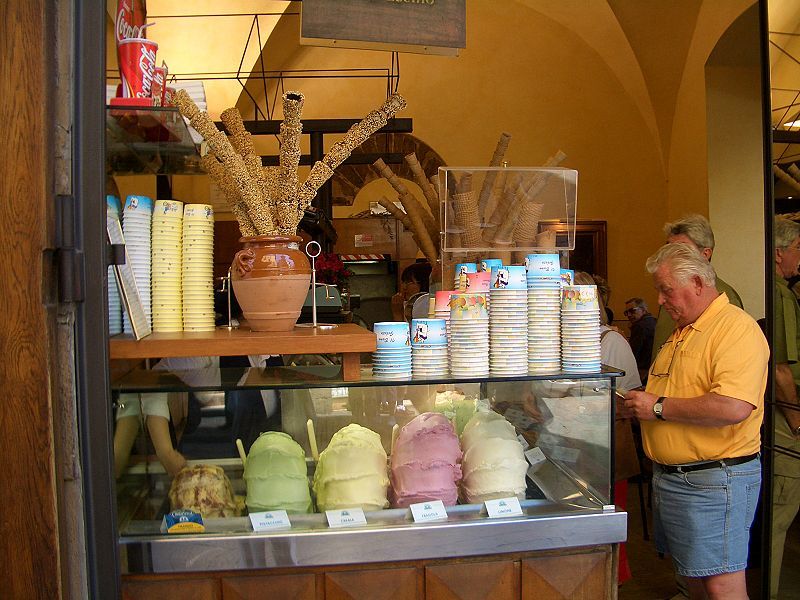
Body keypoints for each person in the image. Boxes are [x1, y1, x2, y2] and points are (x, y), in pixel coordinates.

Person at [623, 243, 768, 600]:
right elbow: (679, 394)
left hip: (715, 480)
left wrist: (657, 407)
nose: (658, 300)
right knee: (695, 582)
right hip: (679, 480)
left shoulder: (734, 329)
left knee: (722, 585)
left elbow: (733, 406)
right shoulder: (684, 330)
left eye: (666, 289)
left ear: (698, 284)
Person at [574, 271, 641, 585]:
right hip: (568, 448)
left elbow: (629, 397)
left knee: (606, 529)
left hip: (602, 452)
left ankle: (610, 583)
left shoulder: (610, 340)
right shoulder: (555, 337)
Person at [651, 214, 743, 354]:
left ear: (705, 254)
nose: (670, 256)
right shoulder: (669, 291)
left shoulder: (724, 297)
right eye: (668, 248)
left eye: (682, 250)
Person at [770, 217, 800, 599]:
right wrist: (796, 423)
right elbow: (781, 370)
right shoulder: (779, 293)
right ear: (779, 253)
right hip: (785, 415)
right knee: (781, 511)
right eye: (796, 249)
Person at [624, 297, 656, 382]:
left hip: (642, 371)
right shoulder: (654, 321)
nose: (629, 315)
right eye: (626, 312)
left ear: (643, 310)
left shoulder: (640, 326)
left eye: (632, 311)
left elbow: (633, 353)